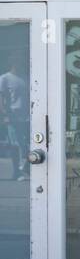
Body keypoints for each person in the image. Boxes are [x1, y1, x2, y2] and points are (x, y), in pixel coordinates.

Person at [0, 51, 29, 181]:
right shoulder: (4, 78)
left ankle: (24, 168)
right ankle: (18, 170)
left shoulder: (24, 78)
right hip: (12, 115)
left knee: (26, 143)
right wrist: (5, 115)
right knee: (15, 144)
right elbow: (1, 97)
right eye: (17, 61)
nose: (20, 63)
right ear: (12, 62)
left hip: (26, 116)